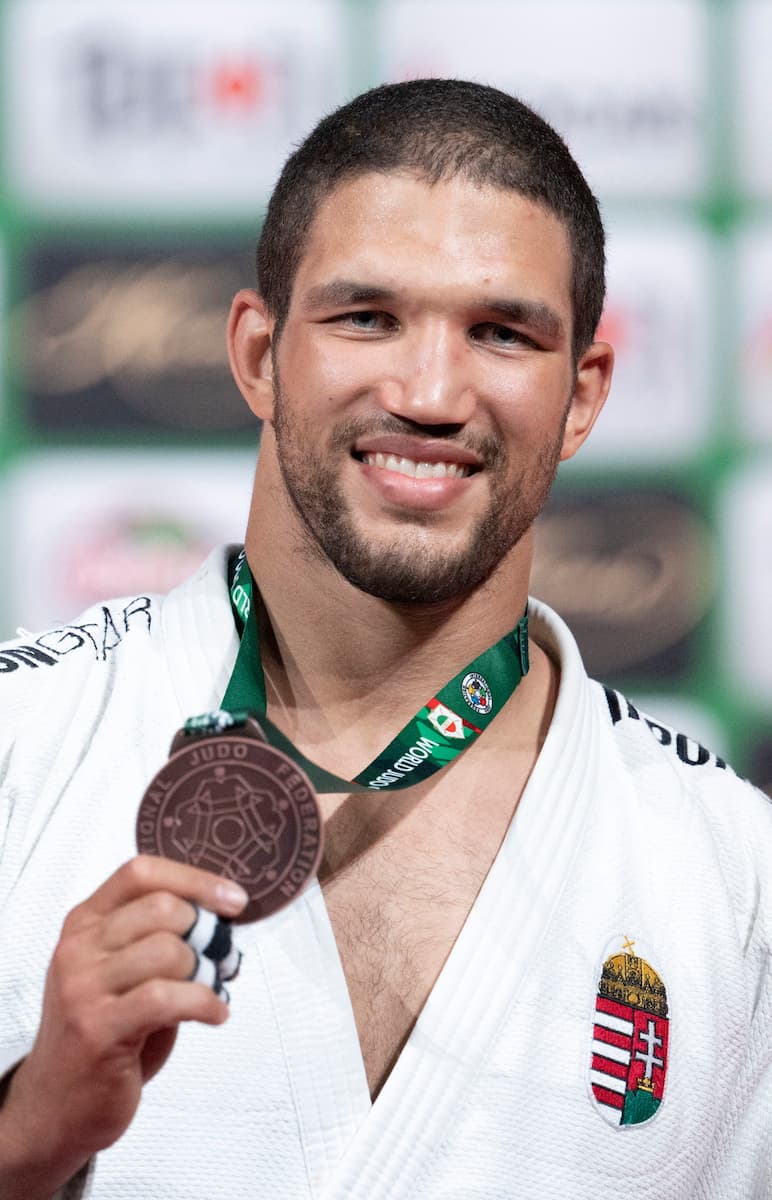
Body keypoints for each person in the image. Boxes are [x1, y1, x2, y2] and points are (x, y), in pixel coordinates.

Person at [0, 78, 770, 1200]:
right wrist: (26, 1136)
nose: (430, 393)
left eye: (501, 333)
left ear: (582, 394)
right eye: (366, 317)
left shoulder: (735, 879)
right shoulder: (20, 746)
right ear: (258, 354)